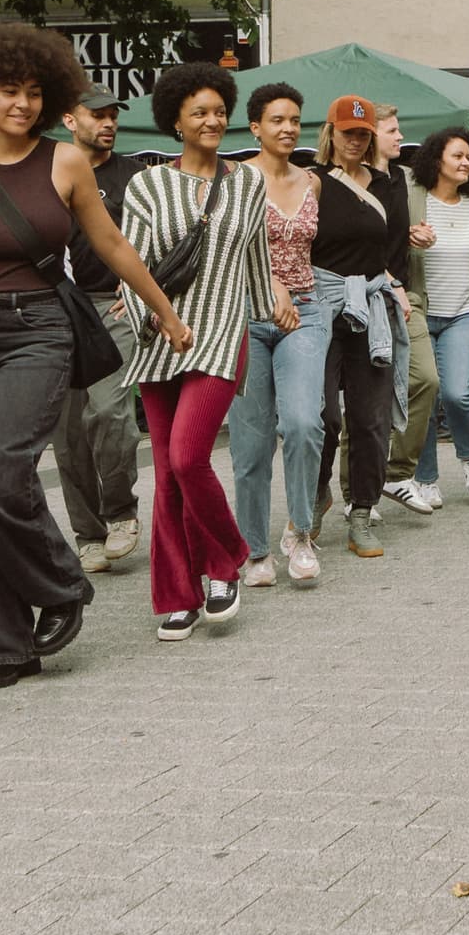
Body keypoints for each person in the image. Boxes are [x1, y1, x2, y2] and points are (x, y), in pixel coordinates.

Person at [0, 19, 189, 688]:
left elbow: (116, 245)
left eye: (34, 92)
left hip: (39, 330)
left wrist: (164, 309)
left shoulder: (64, 161)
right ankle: (3, 647)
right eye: (9, 91)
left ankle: (62, 584)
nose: (23, 104)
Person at [114, 61, 271, 639]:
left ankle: (226, 559)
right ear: (175, 121)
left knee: (187, 458)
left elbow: (254, 258)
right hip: (160, 344)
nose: (212, 120)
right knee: (168, 476)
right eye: (198, 112)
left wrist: (271, 308)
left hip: (223, 337)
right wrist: (155, 320)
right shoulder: (148, 184)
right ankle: (177, 595)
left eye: (218, 110)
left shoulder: (248, 181)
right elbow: (129, 264)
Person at [220, 85, 328, 581]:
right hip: (245, 312)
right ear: (255, 128)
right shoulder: (235, 179)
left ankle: (300, 532)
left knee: (305, 423)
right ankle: (254, 549)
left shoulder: (312, 181)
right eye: (277, 120)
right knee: (250, 441)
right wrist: (270, 285)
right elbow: (223, 252)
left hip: (304, 311)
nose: (288, 128)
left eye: (295, 119)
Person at [304, 95, 413, 548]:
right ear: (331, 132)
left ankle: (362, 511)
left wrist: (393, 285)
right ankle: (312, 496)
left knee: (370, 419)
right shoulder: (312, 182)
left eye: (363, 133)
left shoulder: (388, 184)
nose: (355, 140)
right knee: (321, 414)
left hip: (371, 305)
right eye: (347, 132)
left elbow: (394, 248)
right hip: (321, 304)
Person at [53, 91, 152, 563]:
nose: (109, 123)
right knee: (69, 430)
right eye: (99, 115)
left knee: (111, 412)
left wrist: (139, 289)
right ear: (70, 119)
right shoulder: (48, 170)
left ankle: (121, 511)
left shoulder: (136, 176)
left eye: (113, 115)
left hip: (114, 307)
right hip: (57, 308)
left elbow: (161, 237)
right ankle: (87, 534)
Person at [406, 129, 469, 500]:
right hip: (420, 311)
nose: (465, 163)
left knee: (458, 393)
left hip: (462, 312)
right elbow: (390, 242)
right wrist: (408, 235)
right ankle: (426, 478)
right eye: (457, 155)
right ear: (435, 159)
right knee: (427, 393)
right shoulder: (413, 200)